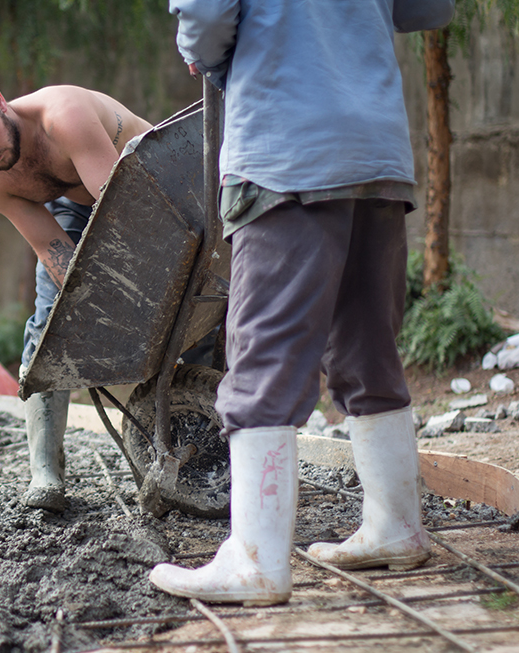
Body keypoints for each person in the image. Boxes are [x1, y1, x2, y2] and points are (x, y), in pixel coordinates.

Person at [149, 0, 456, 605]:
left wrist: (206, 59)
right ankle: (396, 526)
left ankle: (255, 561)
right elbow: (429, 8)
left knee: (263, 354)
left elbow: (207, 18)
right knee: (368, 344)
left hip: (285, 146)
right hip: (376, 149)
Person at [0, 68, 153, 512]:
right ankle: (45, 472)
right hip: (79, 207)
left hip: (146, 184)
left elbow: (130, 217)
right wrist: (87, 312)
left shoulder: (64, 115)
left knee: (178, 300)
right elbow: (52, 250)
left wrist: (137, 308)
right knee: (50, 320)